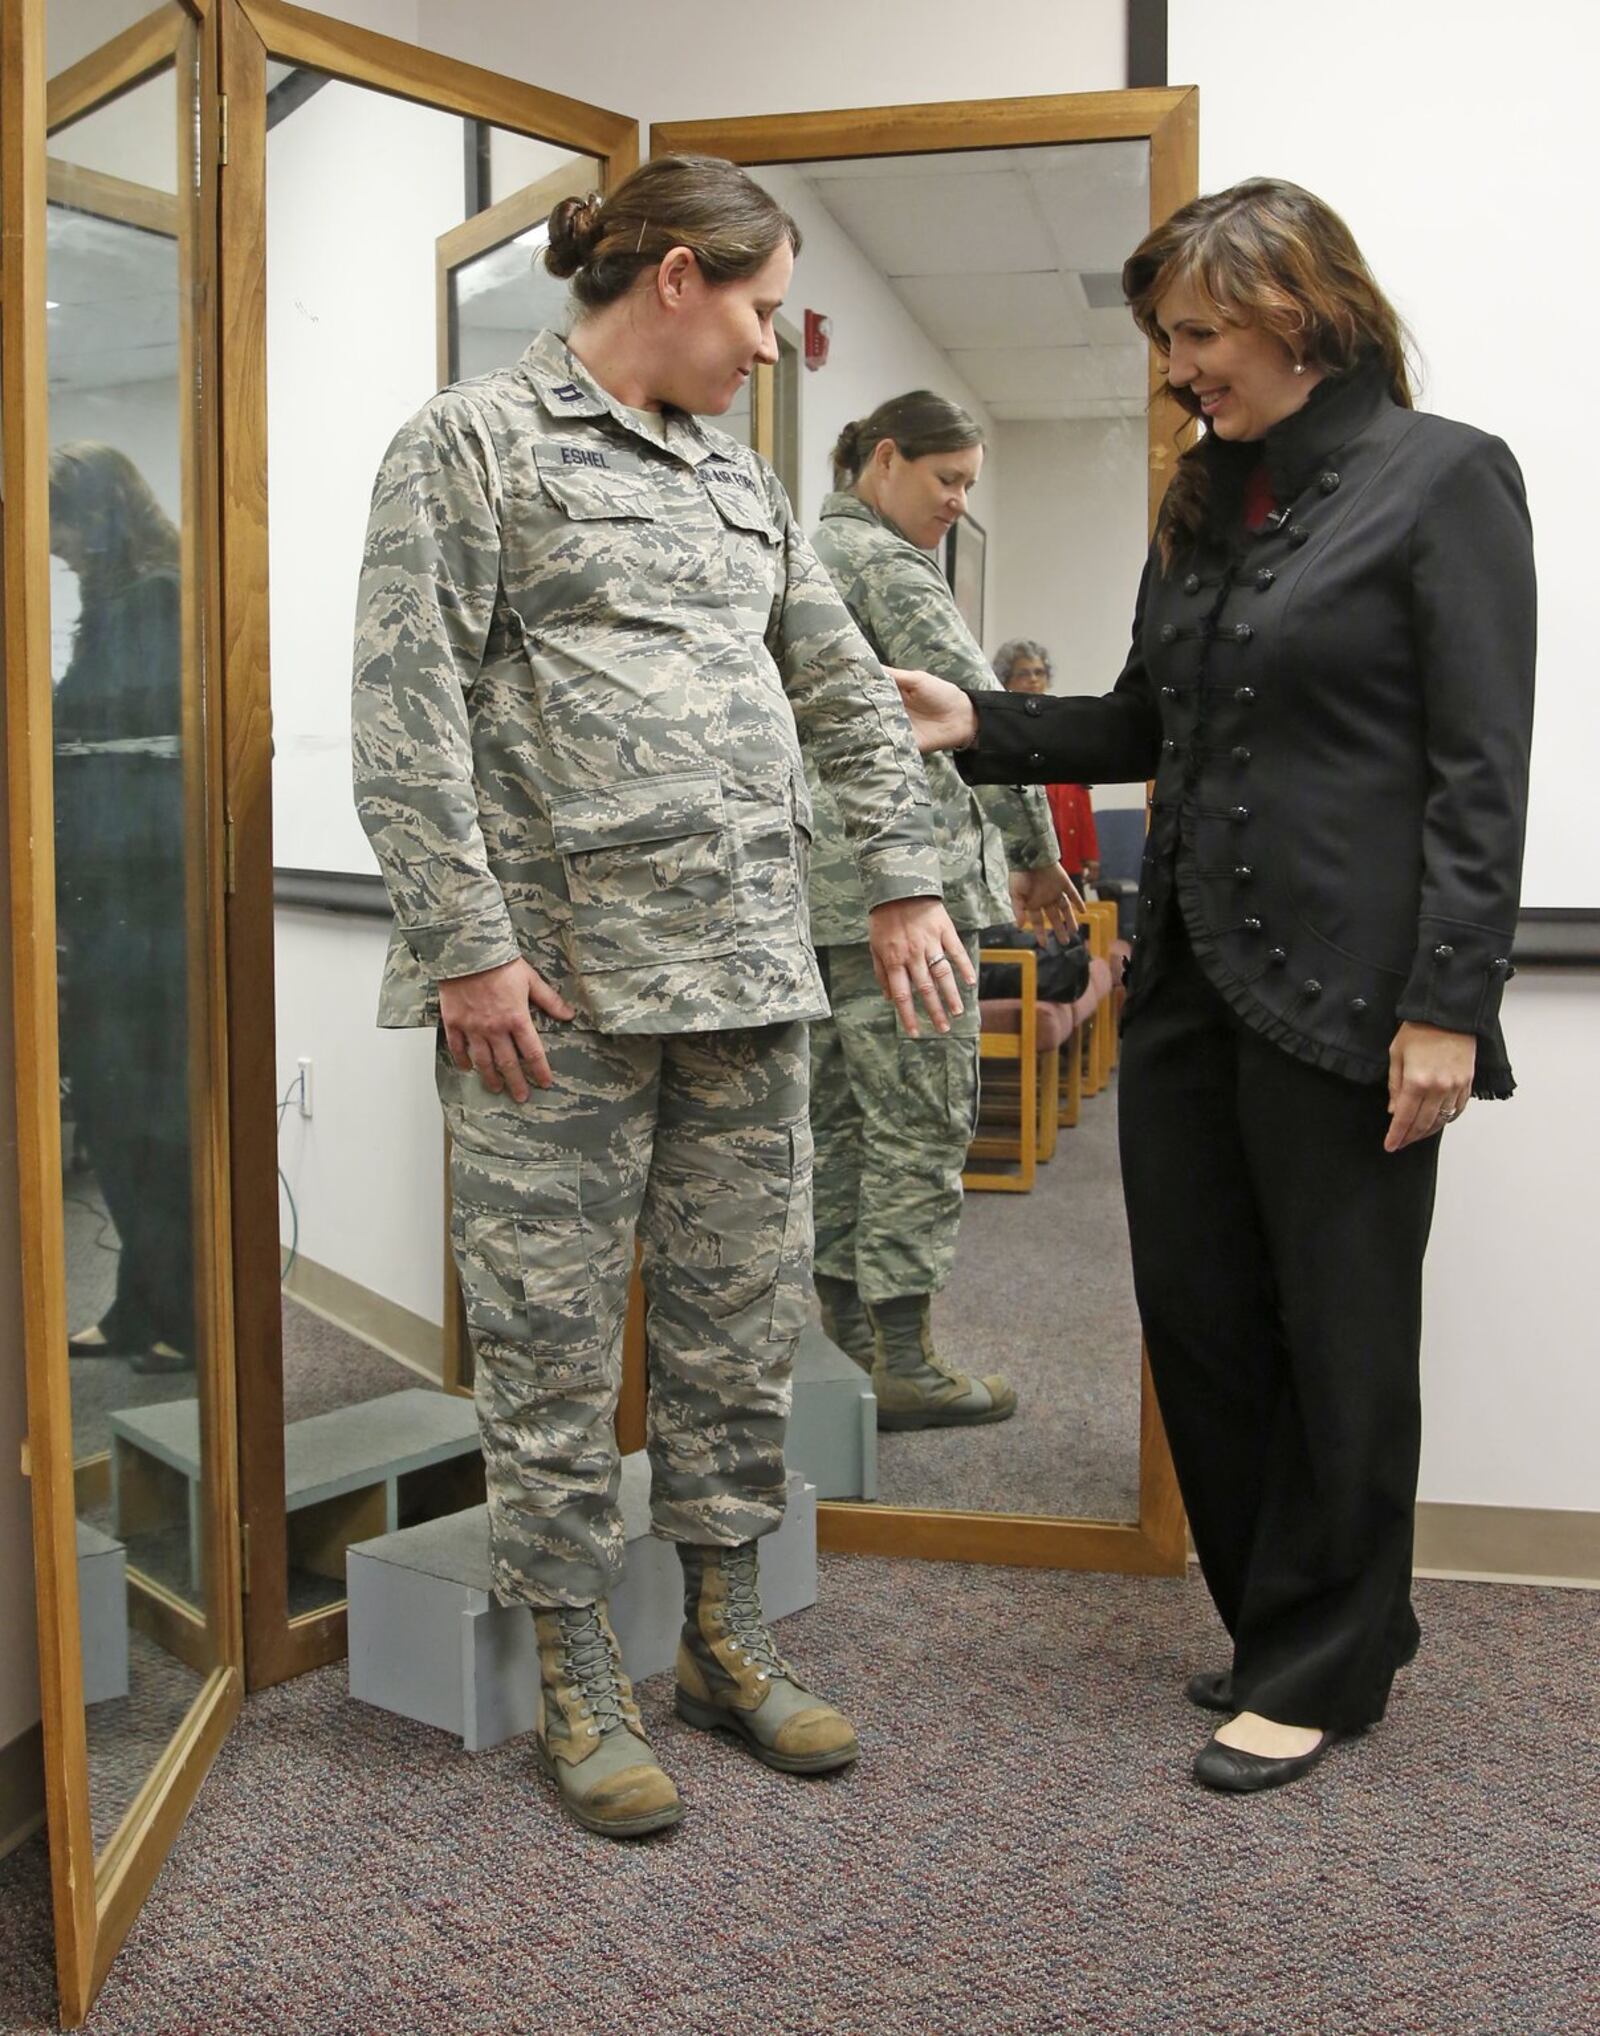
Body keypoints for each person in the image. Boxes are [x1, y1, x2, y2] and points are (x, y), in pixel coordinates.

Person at [352, 155, 972, 1840]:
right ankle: (575, 1667)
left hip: (749, 980)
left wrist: (906, 878)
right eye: (765, 308)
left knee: (731, 1335)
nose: (773, 348)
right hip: (552, 999)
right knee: (548, 1349)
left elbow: (844, 692)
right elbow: (403, 718)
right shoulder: (471, 441)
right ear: (684, 277)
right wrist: (469, 945)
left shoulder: (746, 488)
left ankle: (721, 1632)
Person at [894, 178, 1535, 1795]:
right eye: (1167, 341)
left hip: (1354, 992)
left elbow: (1480, 765)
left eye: (1197, 334)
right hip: (1181, 976)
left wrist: (1449, 1001)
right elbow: (1146, 721)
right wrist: (982, 726)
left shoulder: (1443, 480)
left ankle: (1331, 1658)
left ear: (1298, 310)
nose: (1178, 369)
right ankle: (1289, 1627)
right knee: (1200, 1321)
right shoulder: (1204, 501)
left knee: (1341, 1328)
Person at [806, 394, 1078, 1430]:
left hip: (824, 896)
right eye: (946, 480)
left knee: (839, 1123)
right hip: (903, 894)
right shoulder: (885, 565)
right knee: (920, 1117)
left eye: (970, 485)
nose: (958, 504)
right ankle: (907, 1360)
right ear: (885, 459)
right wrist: (1035, 852)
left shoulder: (807, 551)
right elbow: (977, 711)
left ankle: (844, 1351)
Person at [50, 443, 194, 1377]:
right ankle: (143, 1308)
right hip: (124, 903)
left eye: (63, 525)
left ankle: (174, 1312)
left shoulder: (152, 601)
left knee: (135, 1118)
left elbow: (97, 737)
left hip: (140, 907)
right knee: (121, 1118)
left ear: (98, 517)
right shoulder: (128, 601)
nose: (57, 548)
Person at [993, 640, 1100, 890]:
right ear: (1006, 680)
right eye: (1023, 673)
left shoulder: (1065, 724)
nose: (1033, 679)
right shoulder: (998, 724)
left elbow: (1080, 792)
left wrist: (1090, 853)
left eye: (1039, 672)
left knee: (1072, 923)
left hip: (1066, 848)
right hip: (1019, 851)